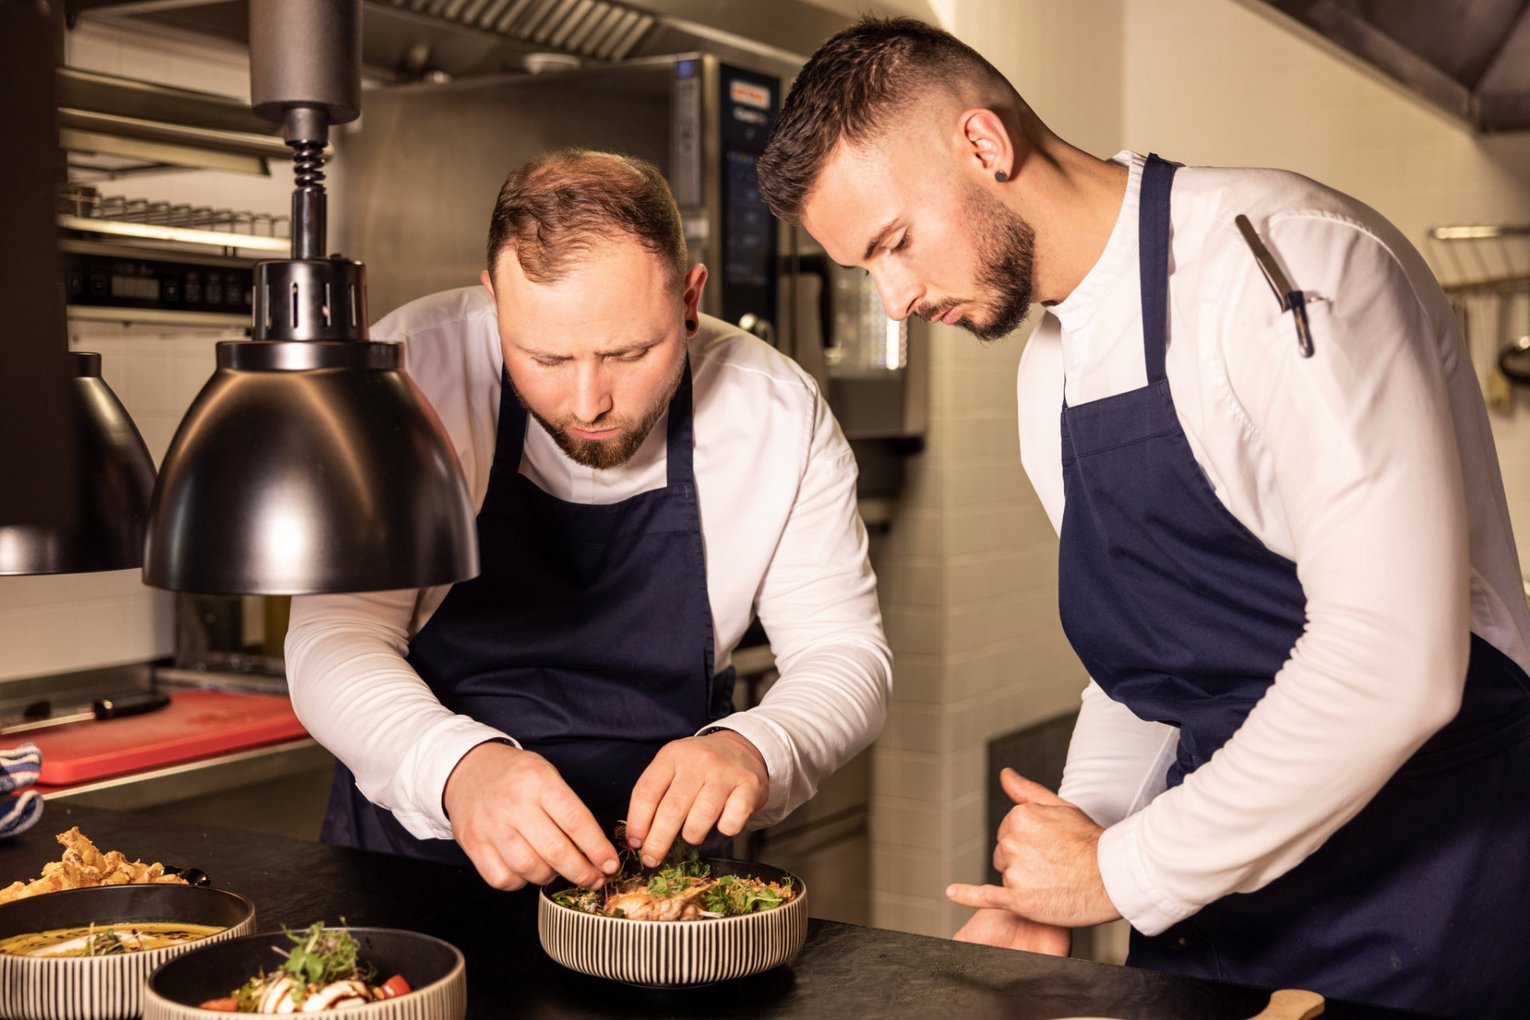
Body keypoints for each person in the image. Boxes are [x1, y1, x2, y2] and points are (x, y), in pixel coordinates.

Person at [757, 16, 1530, 1019]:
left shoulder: (1283, 264)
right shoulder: (1053, 368)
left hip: (1426, 890)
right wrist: (1073, 858)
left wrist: (1121, 870)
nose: (893, 298)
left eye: (894, 244)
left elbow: (1394, 663)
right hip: (1220, 909)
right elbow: (1149, 668)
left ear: (984, 145)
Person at [284, 149, 890, 895]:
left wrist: (757, 745)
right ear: (493, 302)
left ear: (691, 298)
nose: (588, 401)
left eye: (629, 353)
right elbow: (332, 640)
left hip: (663, 890)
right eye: (543, 356)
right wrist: (457, 769)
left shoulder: (776, 412)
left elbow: (845, 654)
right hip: (413, 867)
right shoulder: (405, 376)